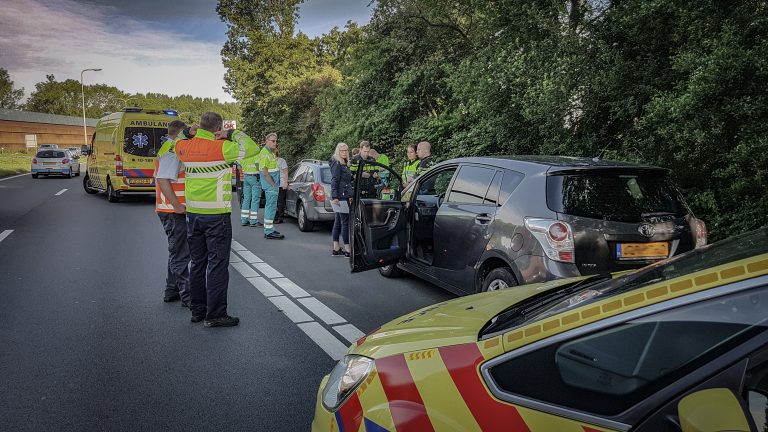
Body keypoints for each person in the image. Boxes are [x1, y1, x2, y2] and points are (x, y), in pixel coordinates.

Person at [174, 112, 259, 327]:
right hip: (216, 217)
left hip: (193, 215)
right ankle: (215, 315)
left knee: (198, 264)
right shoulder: (222, 148)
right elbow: (253, 148)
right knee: (218, 265)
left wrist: (186, 132)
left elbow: (172, 143)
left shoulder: (185, 147)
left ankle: (197, 310)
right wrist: (232, 133)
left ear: (199, 126)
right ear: (218, 128)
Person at [154, 120, 190, 307]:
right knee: (181, 254)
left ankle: (171, 290)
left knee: (177, 251)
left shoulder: (170, 146)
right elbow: (162, 179)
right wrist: (177, 205)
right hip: (173, 211)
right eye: (187, 134)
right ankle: (188, 297)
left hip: (170, 209)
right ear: (180, 133)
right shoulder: (173, 149)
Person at [329, 142, 353, 257]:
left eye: (346, 150)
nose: (344, 152)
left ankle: (336, 247)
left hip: (342, 195)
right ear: (338, 151)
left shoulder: (344, 163)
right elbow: (334, 180)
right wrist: (335, 197)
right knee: (345, 222)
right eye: (342, 151)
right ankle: (348, 249)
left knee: (338, 221)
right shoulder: (337, 163)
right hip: (340, 196)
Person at [259, 133, 284, 239]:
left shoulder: (270, 153)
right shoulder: (265, 154)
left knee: (272, 207)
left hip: (272, 185)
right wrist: (273, 184)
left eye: (276, 141)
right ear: (267, 141)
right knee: (271, 207)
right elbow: (265, 172)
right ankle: (268, 231)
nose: (275, 143)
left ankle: (270, 229)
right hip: (271, 185)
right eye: (273, 141)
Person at [239, 138, 263, 227]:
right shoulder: (256, 153)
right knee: (255, 199)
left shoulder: (244, 154)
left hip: (246, 177)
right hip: (255, 177)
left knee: (246, 199)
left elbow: (239, 165)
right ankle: (253, 220)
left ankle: (244, 219)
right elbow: (258, 167)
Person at [276, 148, 288, 224]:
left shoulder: (281, 161)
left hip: (281, 184)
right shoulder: (270, 161)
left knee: (280, 202)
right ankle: (275, 216)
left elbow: (285, 172)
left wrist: (285, 183)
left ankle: (280, 217)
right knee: (274, 202)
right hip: (273, 184)